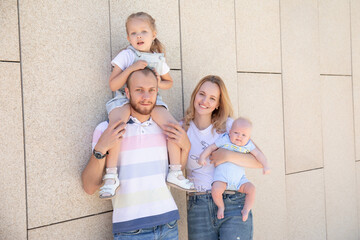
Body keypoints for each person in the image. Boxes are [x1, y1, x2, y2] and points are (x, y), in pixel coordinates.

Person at [82, 68, 187, 239]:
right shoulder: (107, 128)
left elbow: (176, 173)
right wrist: (101, 147)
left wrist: (186, 147)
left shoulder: (165, 127)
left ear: (157, 92)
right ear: (127, 93)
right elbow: (89, 187)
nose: (146, 97)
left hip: (169, 223)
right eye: (139, 90)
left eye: (151, 90)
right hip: (131, 230)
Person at [102, 12, 193, 199]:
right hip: (124, 99)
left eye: (143, 31)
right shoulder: (126, 55)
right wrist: (131, 69)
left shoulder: (157, 59)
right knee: (117, 127)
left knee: (172, 126)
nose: (139, 36)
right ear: (128, 38)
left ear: (153, 34)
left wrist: (158, 83)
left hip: (152, 100)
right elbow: (113, 84)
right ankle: (111, 176)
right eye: (134, 33)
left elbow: (169, 82)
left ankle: (175, 171)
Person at [164, 75, 263, 240]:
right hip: (198, 204)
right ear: (195, 95)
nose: (205, 101)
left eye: (212, 98)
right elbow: (177, 171)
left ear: (218, 104)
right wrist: (186, 147)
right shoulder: (182, 129)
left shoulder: (229, 126)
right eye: (201, 94)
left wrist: (227, 155)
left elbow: (259, 161)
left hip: (233, 201)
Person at [198, 117, 270, 221]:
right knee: (216, 190)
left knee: (251, 189)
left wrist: (266, 165)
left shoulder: (248, 145)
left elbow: (259, 154)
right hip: (222, 178)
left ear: (249, 137)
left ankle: (246, 209)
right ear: (230, 132)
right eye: (236, 133)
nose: (239, 137)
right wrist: (202, 157)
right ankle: (221, 207)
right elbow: (211, 147)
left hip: (240, 180)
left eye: (243, 135)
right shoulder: (224, 139)